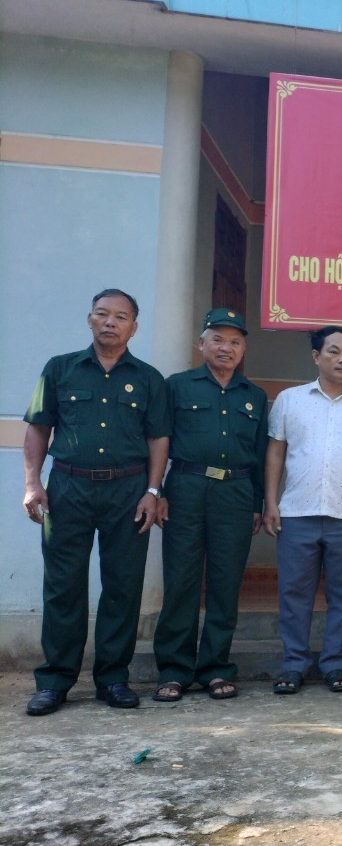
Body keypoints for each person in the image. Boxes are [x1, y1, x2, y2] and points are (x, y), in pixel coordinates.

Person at [22, 289, 170, 716]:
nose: (110, 322)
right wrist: (33, 483)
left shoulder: (148, 378)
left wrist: (153, 490)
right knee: (63, 585)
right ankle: (55, 681)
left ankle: (113, 678)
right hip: (67, 488)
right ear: (90, 319)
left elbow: (157, 438)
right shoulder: (60, 369)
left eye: (120, 316)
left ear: (133, 327)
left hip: (128, 491)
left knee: (122, 587)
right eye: (102, 314)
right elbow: (38, 428)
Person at [262, 326, 342, 694]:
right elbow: (276, 451)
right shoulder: (290, 400)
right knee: (294, 594)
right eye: (334, 351)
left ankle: (336, 664)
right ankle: (294, 666)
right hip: (297, 512)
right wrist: (270, 501)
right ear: (316, 356)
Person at [150, 308, 267, 702]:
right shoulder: (177, 387)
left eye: (235, 341)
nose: (226, 348)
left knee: (225, 583)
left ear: (244, 349)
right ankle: (174, 670)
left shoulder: (254, 396)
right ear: (201, 344)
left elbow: (261, 452)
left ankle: (216, 667)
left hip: (234, 493)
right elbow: (160, 441)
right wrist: (158, 490)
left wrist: (258, 503)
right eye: (217, 339)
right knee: (181, 581)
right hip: (186, 487)